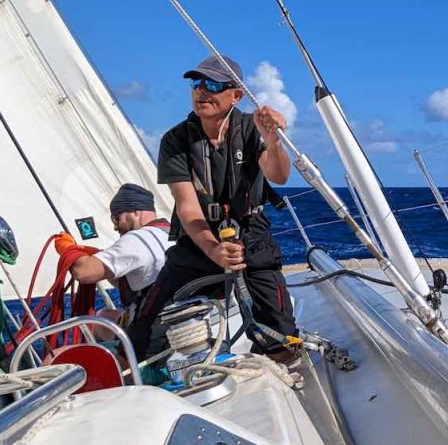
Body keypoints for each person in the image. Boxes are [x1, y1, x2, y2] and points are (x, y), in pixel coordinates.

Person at [128, 54, 296, 362]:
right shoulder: (175, 140)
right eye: (197, 83)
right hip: (199, 238)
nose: (202, 91)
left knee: (281, 334)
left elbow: (279, 175)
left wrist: (273, 141)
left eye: (214, 84)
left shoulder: (251, 129)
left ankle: (278, 362)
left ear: (236, 95)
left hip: (251, 233)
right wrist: (214, 250)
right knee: (145, 328)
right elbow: (188, 209)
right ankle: (141, 369)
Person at [59, 183, 171, 322]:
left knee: (96, 322)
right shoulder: (172, 233)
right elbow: (134, 278)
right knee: (105, 315)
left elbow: (83, 272)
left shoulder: (137, 238)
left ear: (136, 212)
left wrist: (67, 250)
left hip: (153, 326)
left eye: (117, 218)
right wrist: (100, 255)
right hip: (176, 315)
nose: (115, 226)